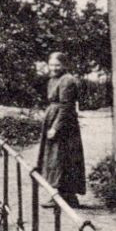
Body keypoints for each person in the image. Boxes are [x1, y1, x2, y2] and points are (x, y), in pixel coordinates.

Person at [37, 51, 86, 208]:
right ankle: (62, 195)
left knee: (64, 158)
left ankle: (67, 196)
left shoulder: (67, 80)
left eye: (58, 65)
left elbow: (66, 107)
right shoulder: (53, 79)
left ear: (65, 65)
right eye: (52, 65)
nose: (54, 68)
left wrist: (55, 127)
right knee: (55, 159)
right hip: (54, 118)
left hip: (65, 125)